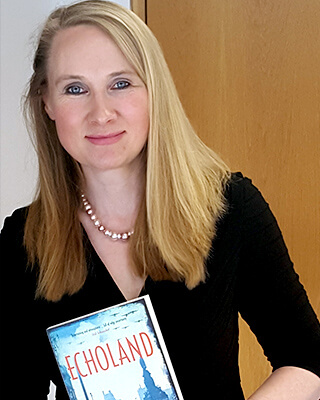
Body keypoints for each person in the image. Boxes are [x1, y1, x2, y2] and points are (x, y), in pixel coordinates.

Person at [0, 1, 319, 399]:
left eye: (121, 83)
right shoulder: (23, 241)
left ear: (154, 90)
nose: (101, 113)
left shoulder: (231, 209)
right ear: (47, 102)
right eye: (75, 89)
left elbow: (307, 358)